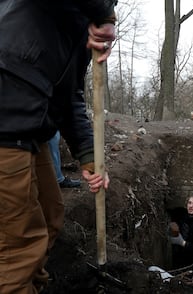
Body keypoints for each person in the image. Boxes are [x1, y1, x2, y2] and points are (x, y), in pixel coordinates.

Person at [0, 1, 116, 293]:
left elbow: (69, 96)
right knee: (18, 246)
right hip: (7, 121)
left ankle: (31, 282)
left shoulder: (75, 28)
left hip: (28, 131)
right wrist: (102, 15)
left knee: (51, 213)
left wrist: (90, 158)